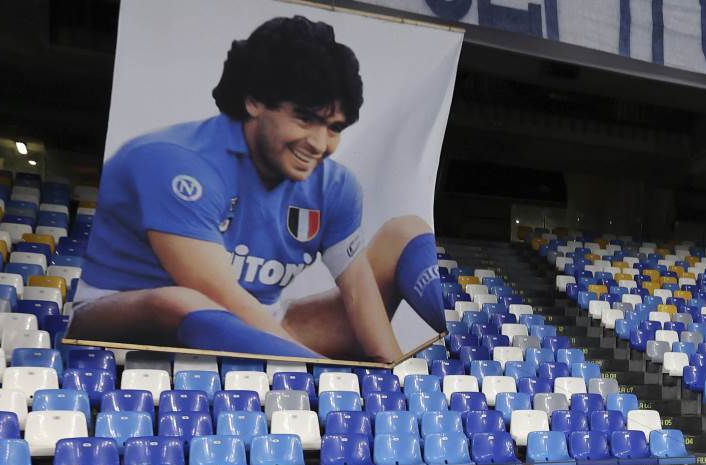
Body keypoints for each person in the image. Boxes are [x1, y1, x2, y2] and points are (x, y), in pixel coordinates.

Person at [67, 15, 446, 362]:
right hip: (125, 319)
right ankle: (303, 368)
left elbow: (360, 294)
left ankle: (468, 351)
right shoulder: (176, 161)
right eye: (305, 118)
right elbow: (220, 297)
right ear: (254, 101)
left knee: (404, 232)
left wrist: (393, 373)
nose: (318, 143)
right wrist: (321, 376)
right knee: (181, 300)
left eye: (334, 128)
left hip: (259, 324)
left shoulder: (335, 185)